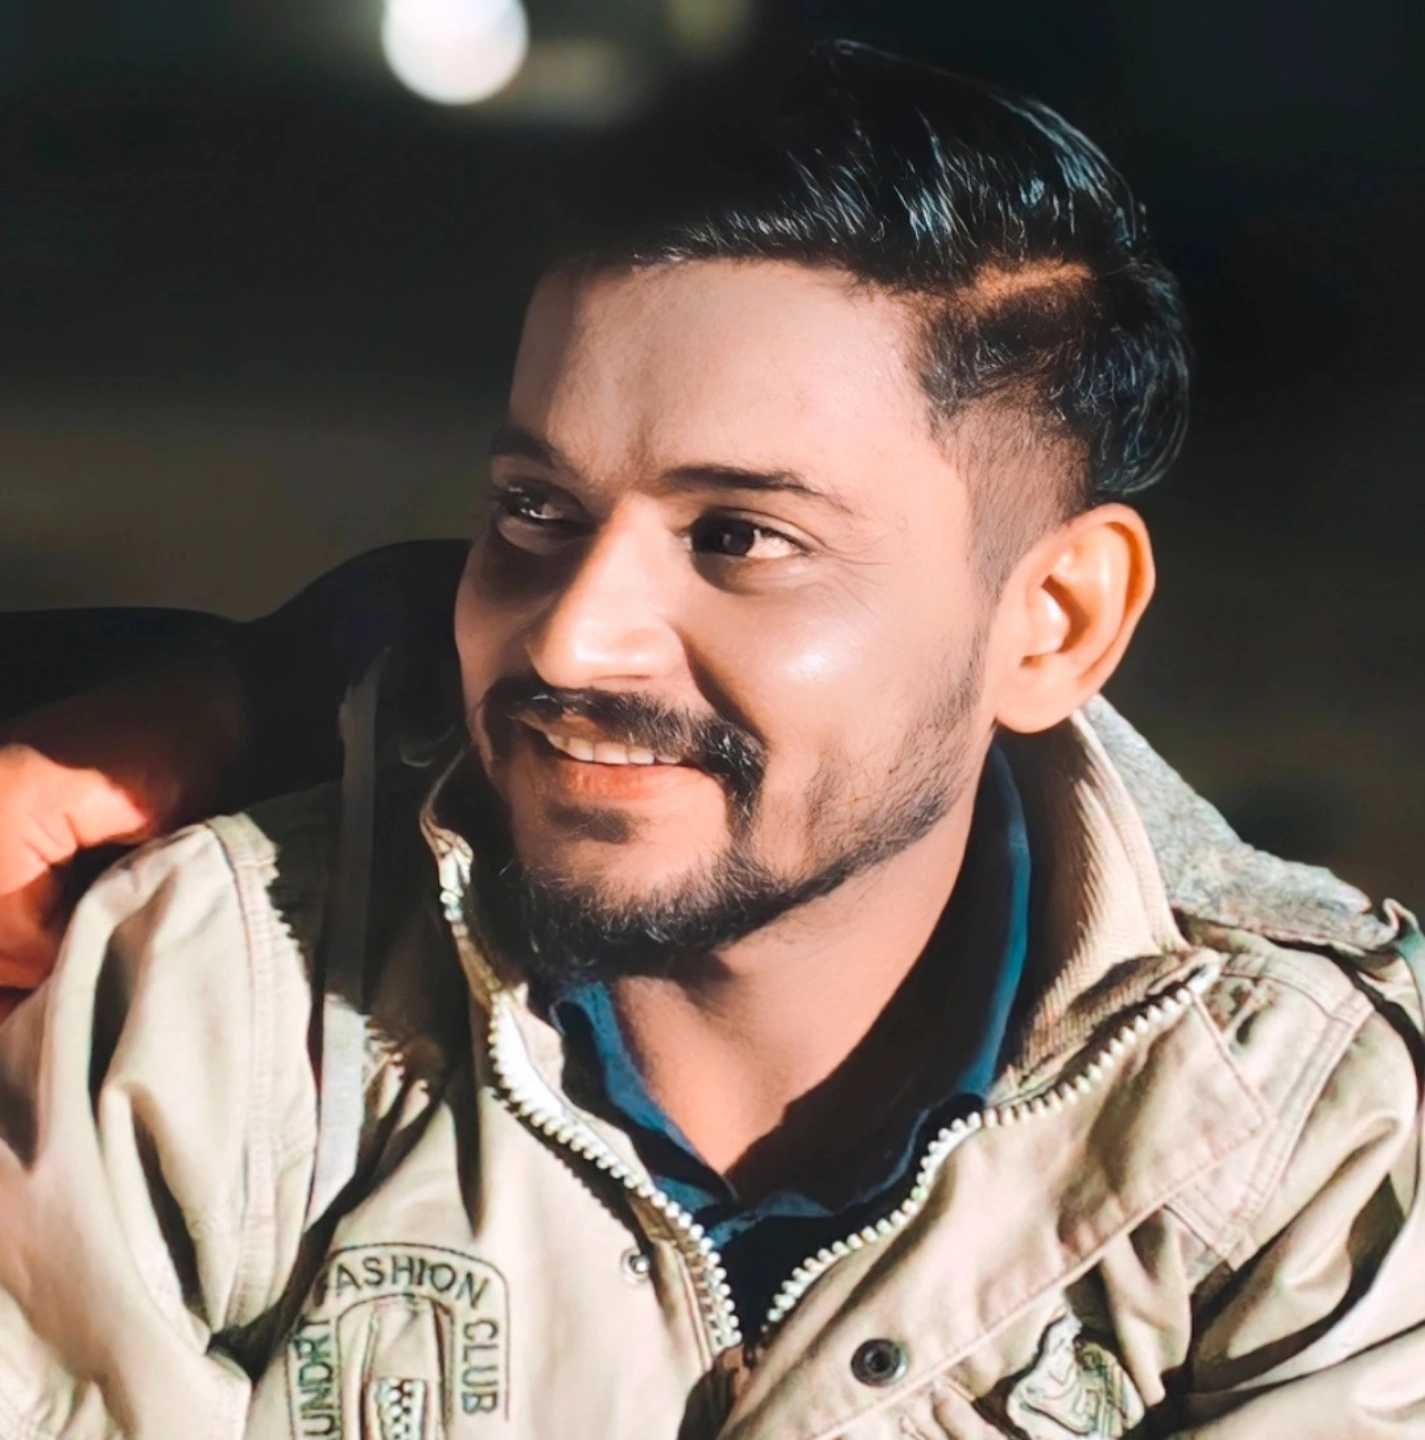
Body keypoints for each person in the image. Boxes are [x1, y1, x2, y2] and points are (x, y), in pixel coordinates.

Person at [1, 40, 1422, 1439]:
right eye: (538, 510)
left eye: (741, 536)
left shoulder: (1312, 1140)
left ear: (1051, 624)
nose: (571, 642)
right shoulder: (218, 1007)